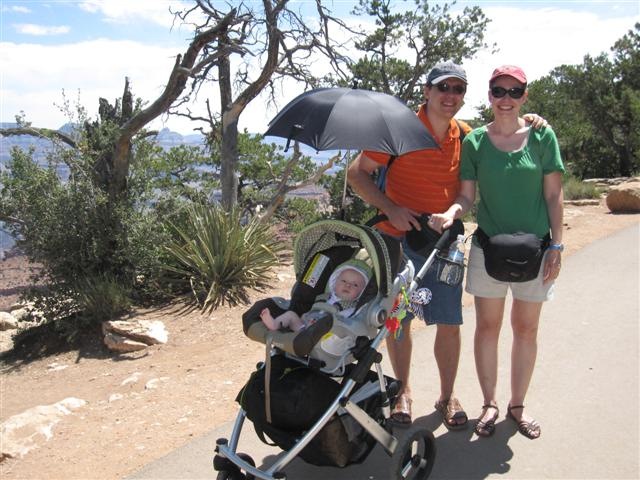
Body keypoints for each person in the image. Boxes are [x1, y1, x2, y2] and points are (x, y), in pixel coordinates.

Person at [348, 60, 547, 429]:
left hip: (444, 242)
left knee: (449, 322)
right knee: (398, 321)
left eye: (458, 89)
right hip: (398, 240)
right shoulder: (397, 130)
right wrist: (390, 208)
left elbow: (501, 141)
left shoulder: (466, 135)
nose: (450, 96)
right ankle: (403, 392)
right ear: (427, 91)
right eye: (443, 88)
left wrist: (532, 120)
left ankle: (446, 395)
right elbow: (357, 173)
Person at [434, 65, 564, 439]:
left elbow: (554, 195)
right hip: (488, 248)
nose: (505, 99)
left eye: (514, 91)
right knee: (487, 327)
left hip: (536, 249)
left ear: (524, 95)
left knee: (526, 328)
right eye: (498, 91)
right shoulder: (474, 142)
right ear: (489, 95)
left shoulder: (542, 135)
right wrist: (452, 213)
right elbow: (467, 196)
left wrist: (557, 244)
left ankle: (517, 405)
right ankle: (490, 404)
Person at [260, 260, 371, 331]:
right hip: (304, 327)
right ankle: (275, 324)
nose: (348, 285)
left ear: (362, 292)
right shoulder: (325, 297)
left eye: (355, 285)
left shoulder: (351, 308)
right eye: (344, 281)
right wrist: (305, 316)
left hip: (325, 336)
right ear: (334, 282)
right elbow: (313, 309)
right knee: (291, 314)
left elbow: (344, 323)